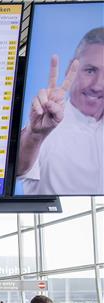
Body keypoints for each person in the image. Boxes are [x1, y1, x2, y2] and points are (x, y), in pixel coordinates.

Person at [17, 28, 104, 195]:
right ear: (70, 69)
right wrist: (35, 136)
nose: (98, 85)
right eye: (90, 70)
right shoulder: (45, 121)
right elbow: (17, 168)